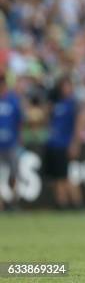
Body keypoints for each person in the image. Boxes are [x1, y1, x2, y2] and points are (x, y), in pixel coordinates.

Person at [43, 76, 84, 210]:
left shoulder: (73, 104)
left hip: (64, 144)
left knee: (65, 176)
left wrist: (75, 143)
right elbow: (48, 121)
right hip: (53, 143)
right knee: (56, 178)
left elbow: (78, 126)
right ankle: (61, 203)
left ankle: (77, 203)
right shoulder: (55, 103)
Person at [0, 72, 22, 211]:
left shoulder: (13, 100)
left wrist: (18, 139)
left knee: (13, 174)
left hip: (11, 143)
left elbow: (19, 121)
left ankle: (14, 202)